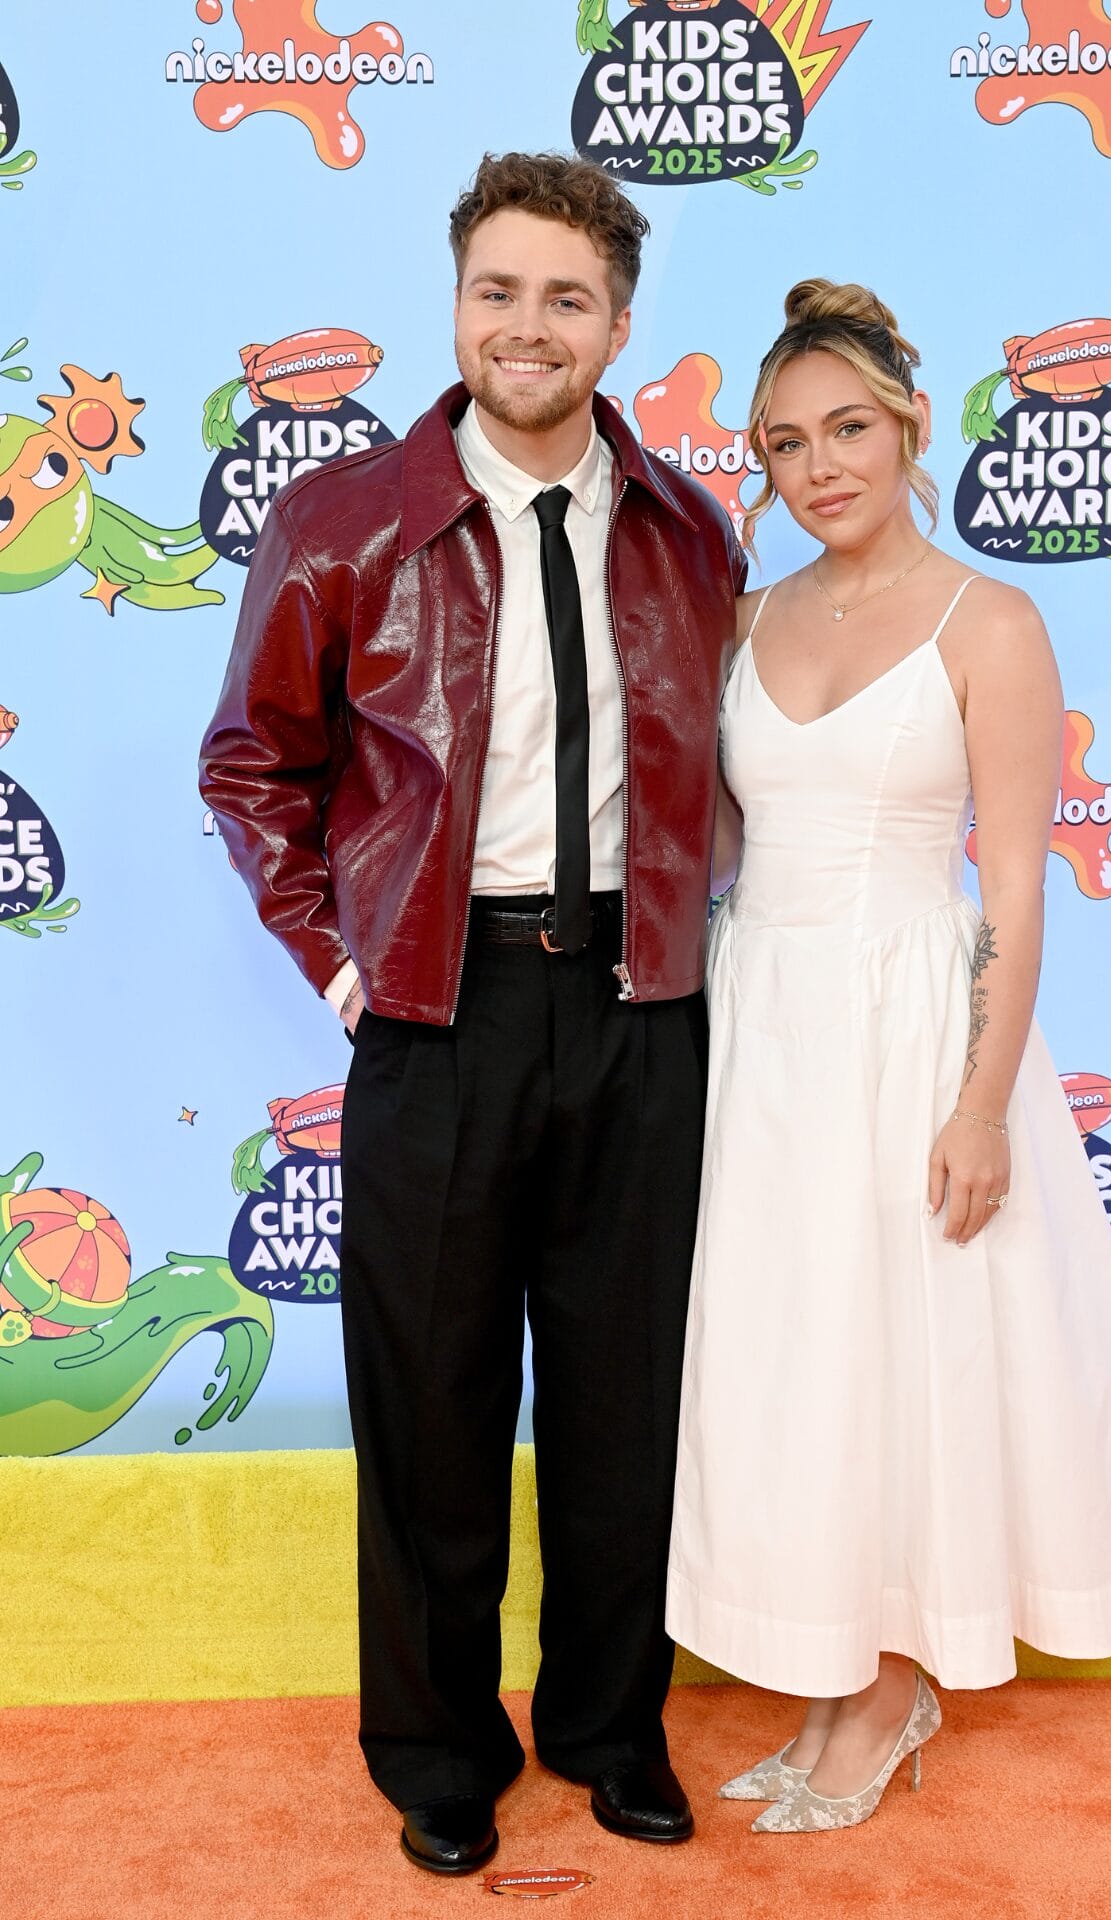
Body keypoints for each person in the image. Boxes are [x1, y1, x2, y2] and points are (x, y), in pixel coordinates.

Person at [200, 152, 745, 1874]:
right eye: (499, 290)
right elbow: (253, 766)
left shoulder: (688, 531)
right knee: (431, 1402)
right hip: (441, 1009)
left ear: (618, 328)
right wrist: (343, 962)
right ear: (456, 303)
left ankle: (608, 1724)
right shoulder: (343, 521)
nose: (529, 325)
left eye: (566, 299)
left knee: (622, 1403)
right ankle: (436, 1743)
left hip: (642, 1009)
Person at [665, 279, 1111, 1835]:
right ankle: (829, 1671)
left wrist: (981, 1106)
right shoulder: (747, 618)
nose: (818, 467)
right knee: (794, 1351)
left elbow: (1018, 891)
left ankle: (893, 1682)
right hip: (760, 1017)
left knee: (907, 1349)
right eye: (784, 444)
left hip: (915, 1019)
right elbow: (726, 842)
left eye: (847, 429)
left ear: (912, 428)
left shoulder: (995, 624)